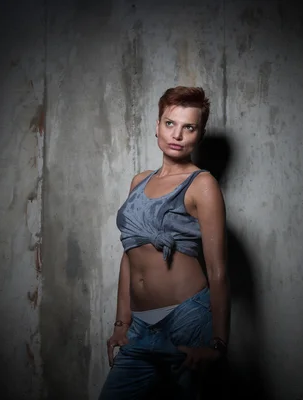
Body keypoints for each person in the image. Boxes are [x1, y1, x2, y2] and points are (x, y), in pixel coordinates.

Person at [99, 86, 230, 399]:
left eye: (189, 127)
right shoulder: (139, 181)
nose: (178, 135)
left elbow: (218, 270)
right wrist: (122, 323)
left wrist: (218, 344)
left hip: (186, 320)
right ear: (157, 125)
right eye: (170, 123)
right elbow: (129, 255)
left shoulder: (202, 184)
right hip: (140, 327)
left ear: (199, 134)